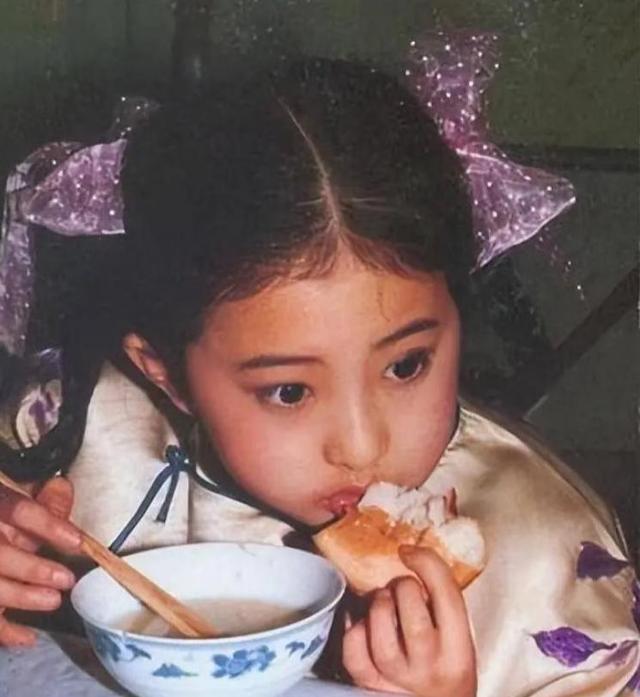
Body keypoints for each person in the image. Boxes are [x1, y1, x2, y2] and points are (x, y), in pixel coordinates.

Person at [0, 57, 637, 697]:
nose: (362, 446)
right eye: (289, 392)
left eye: (406, 365)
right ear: (166, 376)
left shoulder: (544, 550)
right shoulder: (72, 436)